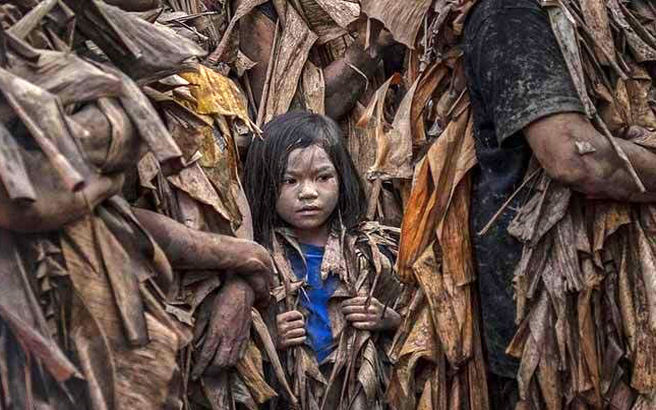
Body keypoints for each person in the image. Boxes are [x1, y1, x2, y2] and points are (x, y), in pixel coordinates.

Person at [462, 0, 656, 407]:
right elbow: (573, 156)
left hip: (619, 312)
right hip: (553, 319)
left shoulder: (613, 15)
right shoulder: (510, 14)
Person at [243, 111, 402, 409]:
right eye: (290, 180)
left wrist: (389, 320)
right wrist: (269, 338)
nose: (308, 193)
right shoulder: (258, 256)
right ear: (266, 183)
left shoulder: (370, 250)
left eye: (323, 177)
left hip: (356, 395)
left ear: (342, 179)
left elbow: (417, 328)